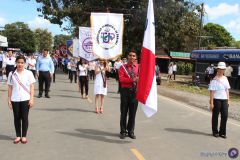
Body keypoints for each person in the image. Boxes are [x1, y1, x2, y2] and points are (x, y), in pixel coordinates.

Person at [7, 55, 36, 144]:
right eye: (18, 62)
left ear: (24, 63)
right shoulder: (11, 74)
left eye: (22, 63)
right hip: (15, 99)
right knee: (16, 118)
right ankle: (18, 135)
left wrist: (31, 99)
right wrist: (9, 99)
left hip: (25, 98)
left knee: (24, 117)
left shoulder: (29, 73)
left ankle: (23, 136)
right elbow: (10, 87)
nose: (20, 64)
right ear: (16, 63)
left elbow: (32, 87)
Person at [118, 51, 139, 139]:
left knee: (132, 113)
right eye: (130, 55)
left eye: (133, 56)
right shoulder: (122, 67)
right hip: (125, 92)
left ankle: (131, 131)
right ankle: (123, 131)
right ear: (127, 57)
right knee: (124, 112)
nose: (132, 57)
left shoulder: (138, 67)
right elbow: (121, 79)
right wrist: (133, 80)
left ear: (135, 58)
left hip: (135, 92)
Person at [208, 62, 230, 139]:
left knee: (225, 116)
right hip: (216, 99)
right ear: (217, 69)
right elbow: (212, 92)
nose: (221, 71)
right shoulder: (214, 79)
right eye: (220, 69)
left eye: (223, 69)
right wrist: (211, 103)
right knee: (215, 116)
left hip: (224, 100)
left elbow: (227, 90)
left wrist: (228, 100)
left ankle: (222, 132)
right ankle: (215, 131)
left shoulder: (225, 78)